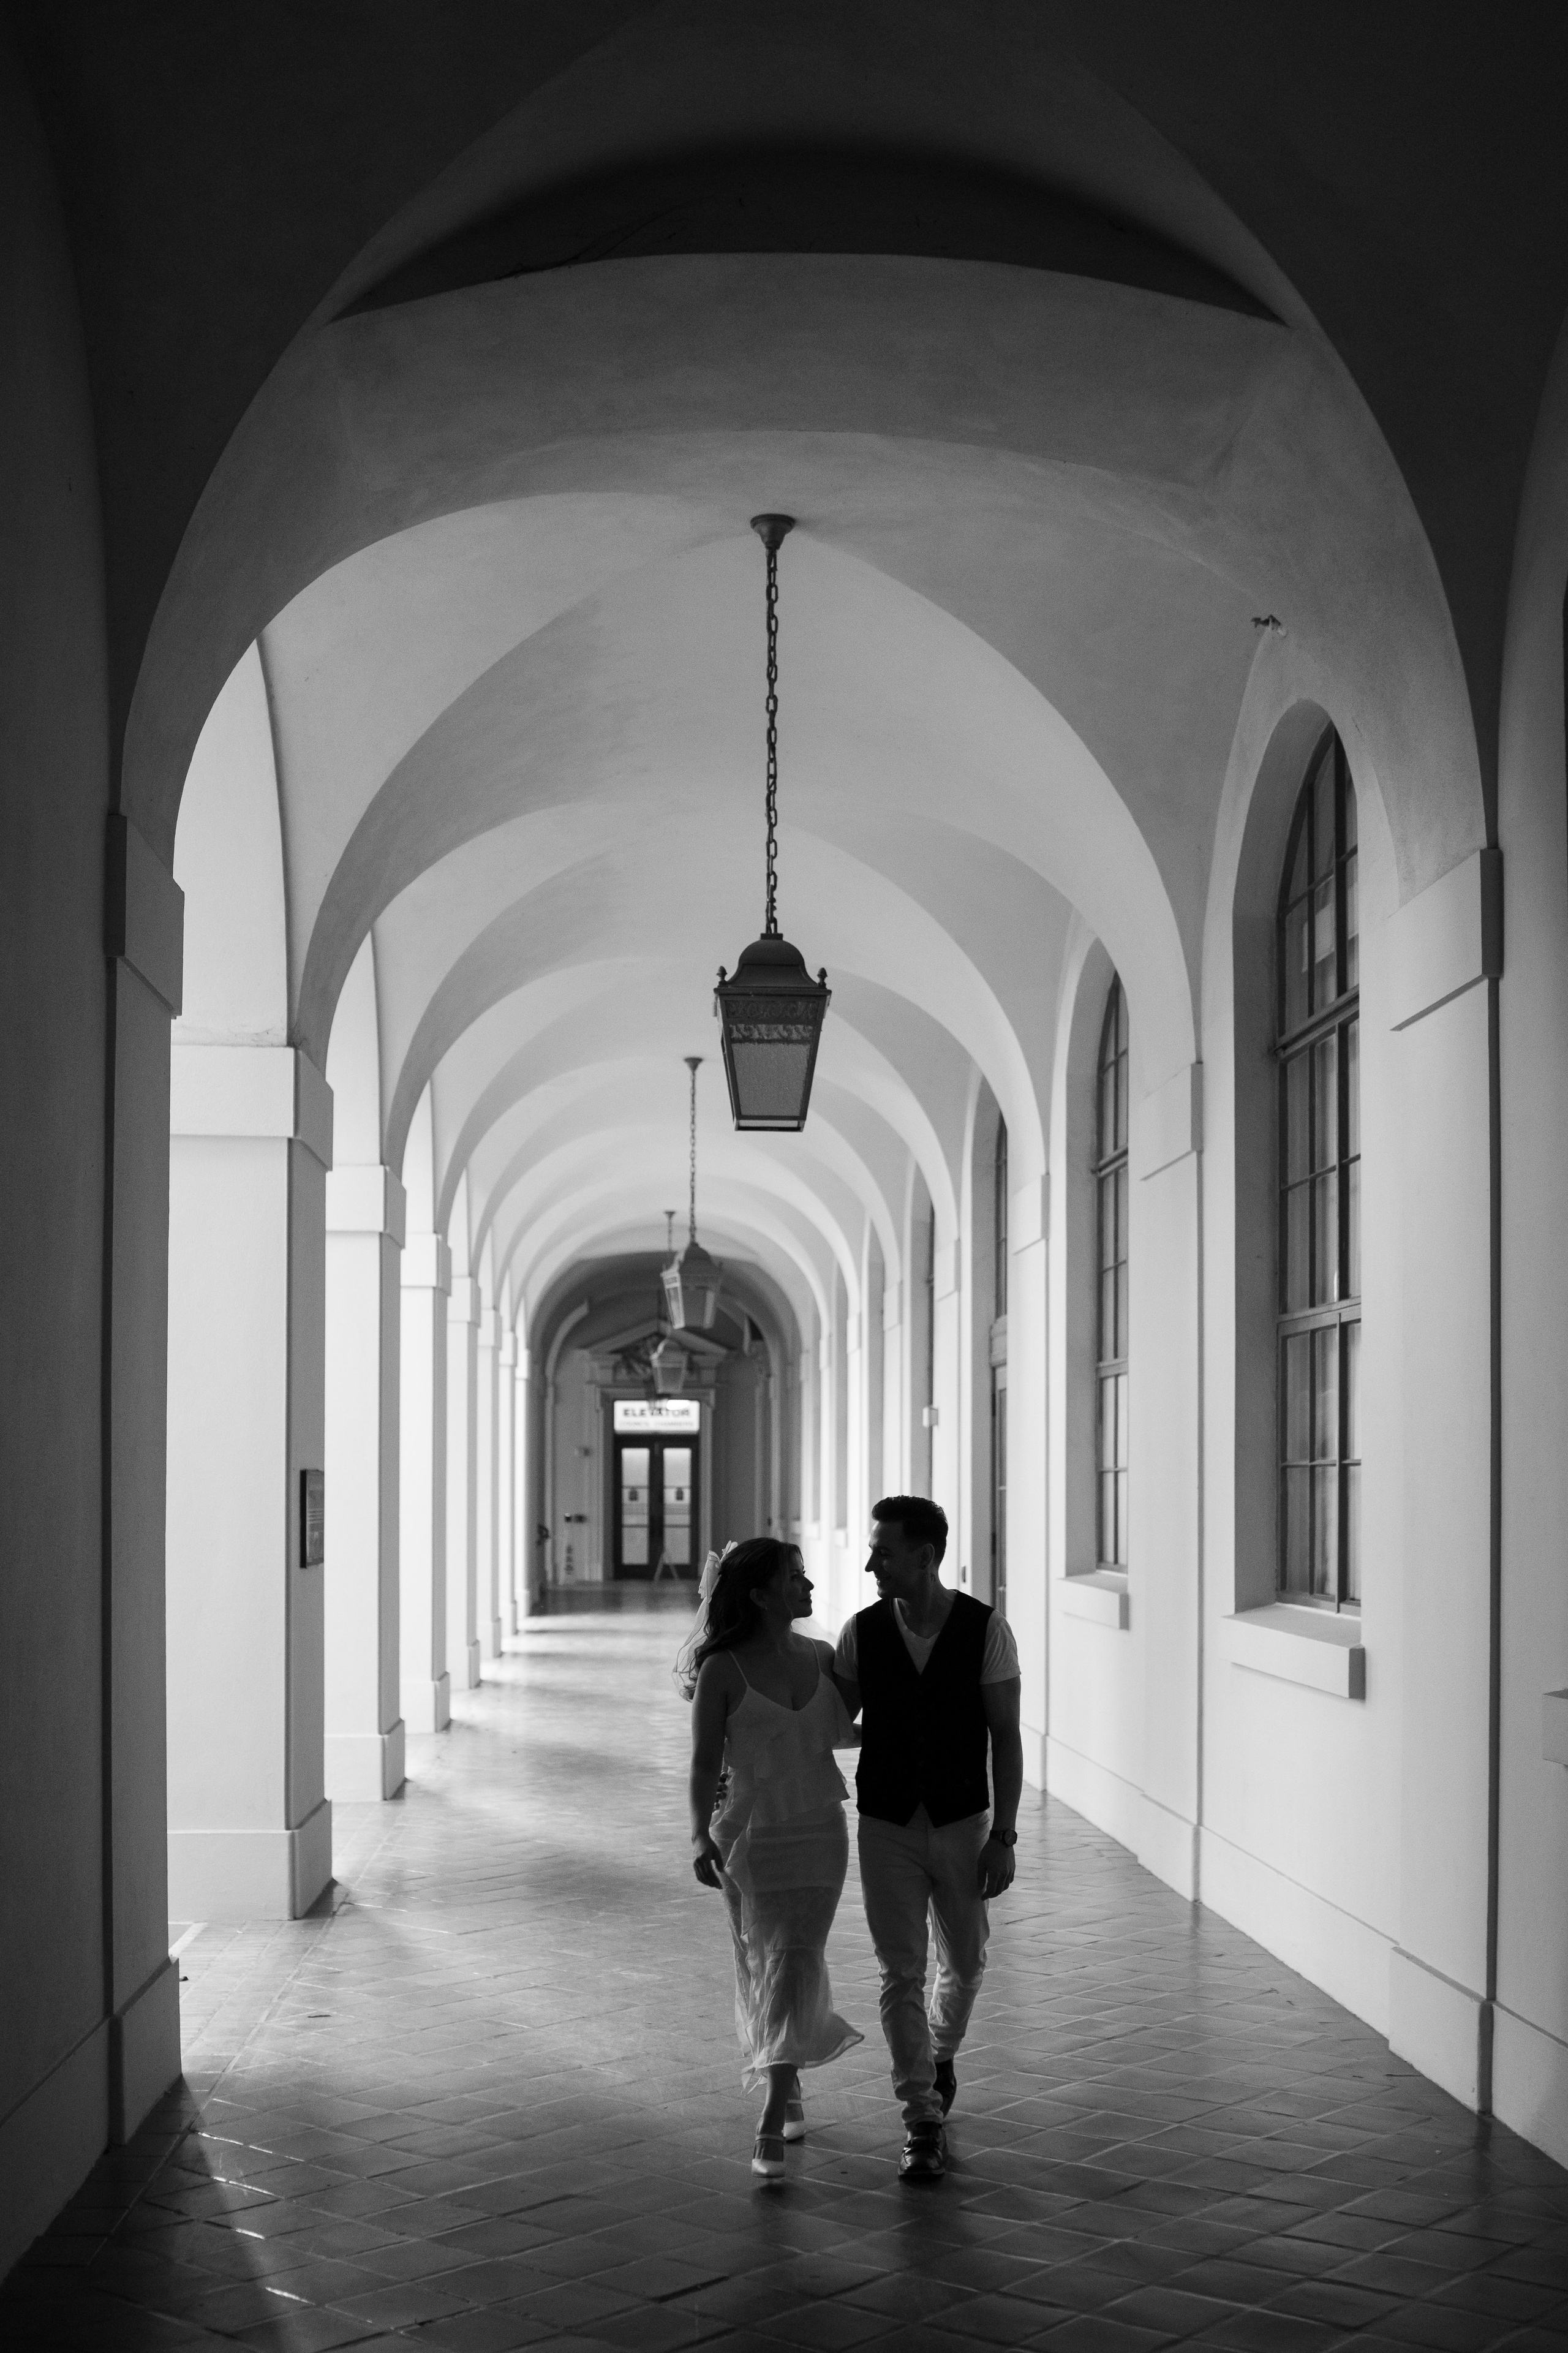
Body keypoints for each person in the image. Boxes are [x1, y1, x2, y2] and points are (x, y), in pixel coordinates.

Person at [832, 1495, 1023, 2184]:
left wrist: (1003, 1834)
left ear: (925, 1555)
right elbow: (832, 1721)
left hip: (962, 1823)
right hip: (886, 1823)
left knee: (966, 1961)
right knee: (900, 1970)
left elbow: (1006, 1737)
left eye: (883, 1552)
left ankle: (939, 2054)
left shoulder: (985, 1628)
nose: (871, 1565)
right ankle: (920, 2116)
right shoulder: (861, 1632)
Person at [679, 1538, 862, 2182]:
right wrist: (698, 1834)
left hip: (819, 1829)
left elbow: (840, 1731)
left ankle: (771, 2109)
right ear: (759, 1595)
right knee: (761, 1959)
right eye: (794, 1577)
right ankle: (787, 2087)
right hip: (751, 1837)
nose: (808, 1586)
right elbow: (704, 1762)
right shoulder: (723, 1669)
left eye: (805, 1575)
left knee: (797, 1958)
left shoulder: (823, 1656)